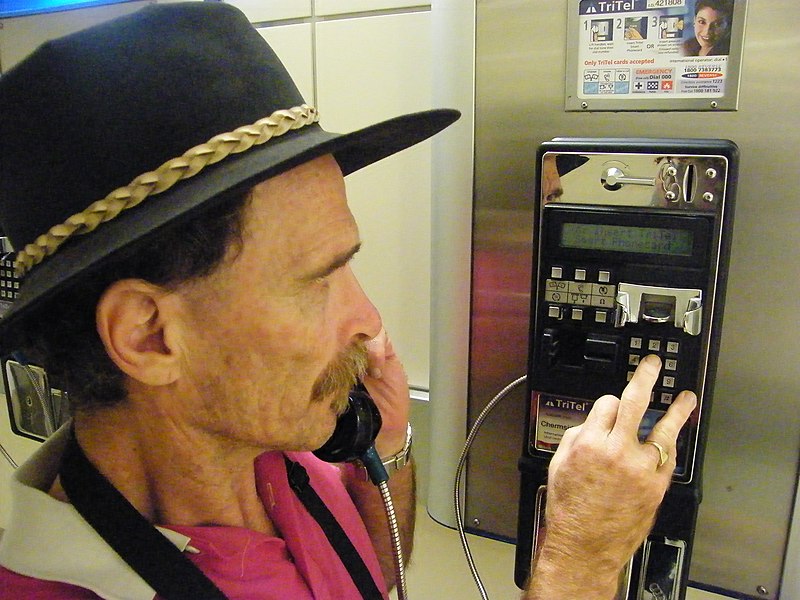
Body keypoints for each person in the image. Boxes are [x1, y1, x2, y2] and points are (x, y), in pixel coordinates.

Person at [0, 3, 695, 599]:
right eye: (318, 279)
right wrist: (582, 563)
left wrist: (386, 451)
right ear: (150, 336)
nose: (365, 320)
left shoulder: (274, 448)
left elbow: (370, 572)